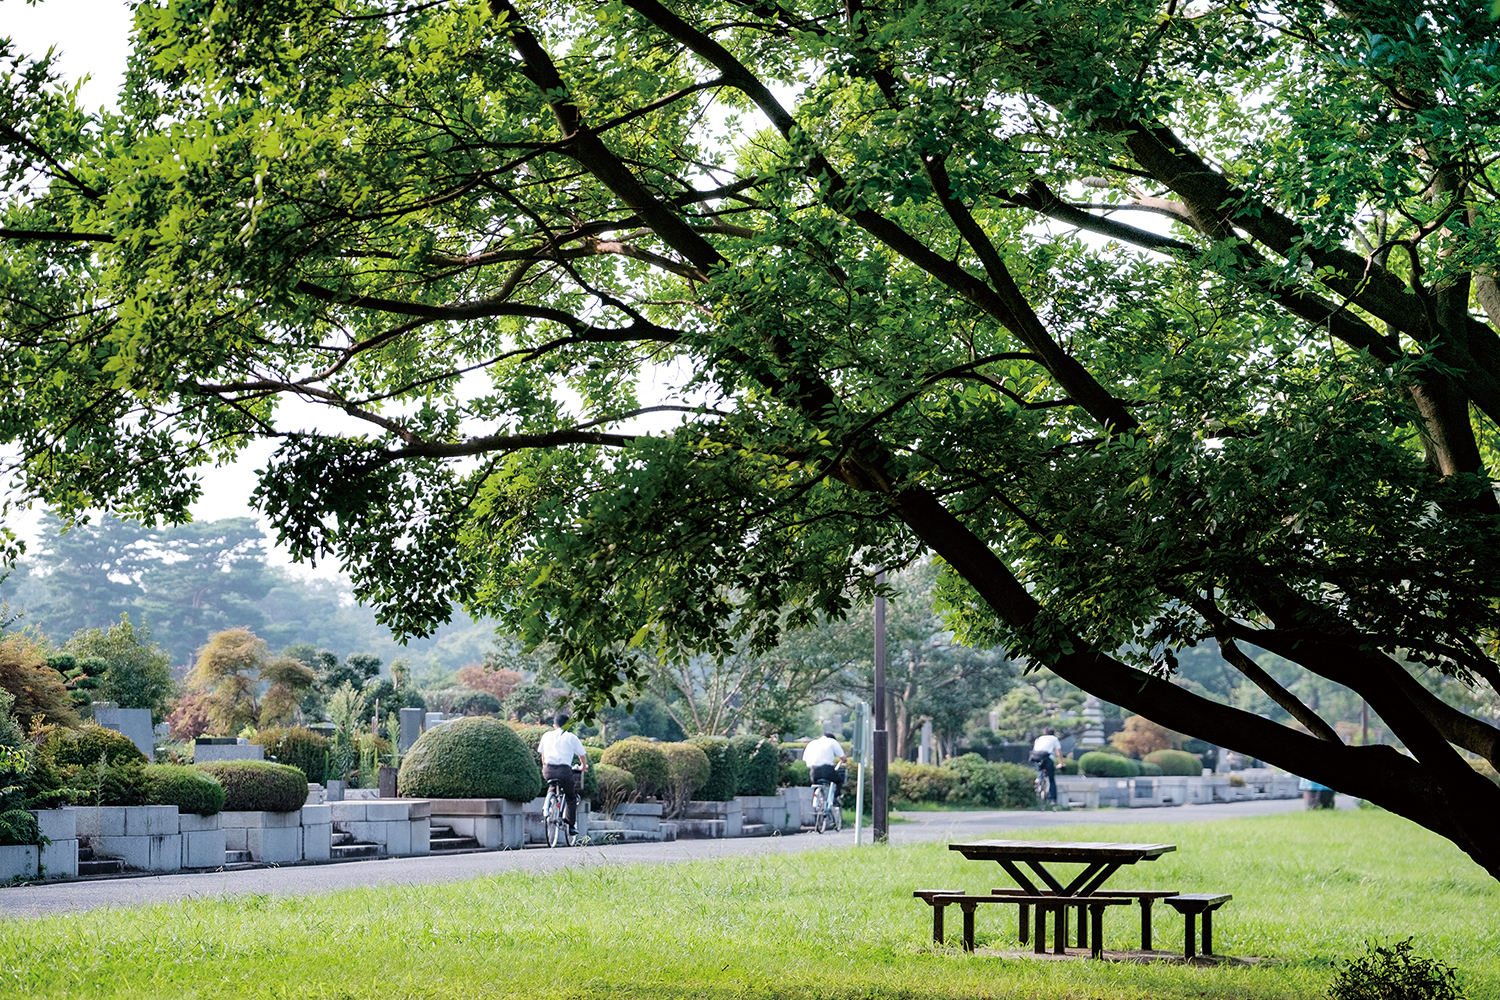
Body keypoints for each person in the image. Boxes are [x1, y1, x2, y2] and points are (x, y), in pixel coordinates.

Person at [538, 711, 589, 838]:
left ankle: (549, 804)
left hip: (548, 770)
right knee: (570, 796)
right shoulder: (571, 737)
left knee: (552, 784)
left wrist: (545, 766)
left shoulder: (546, 735)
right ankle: (571, 826)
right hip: (564, 771)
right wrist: (582, 767)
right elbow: (582, 755)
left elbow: (543, 756)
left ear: (554, 725)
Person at [802, 729, 848, 807]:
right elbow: (843, 758)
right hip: (827, 770)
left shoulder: (812, 743)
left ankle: (818, 802)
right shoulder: (832, 741)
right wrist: (843, 761)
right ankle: (835, 798)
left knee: (816, 785)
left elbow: (804, 759)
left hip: (814, 771)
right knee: (839, 780)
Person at [1030, 726, 1061, 803]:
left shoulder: (1039, 738)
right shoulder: (1054, 739)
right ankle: (1053, 799)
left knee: (1041, 768)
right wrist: (1061, 763)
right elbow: (1058, 753)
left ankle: (1039, 778)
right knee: (1051, 779)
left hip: (1035, 757)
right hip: (1046, 758)